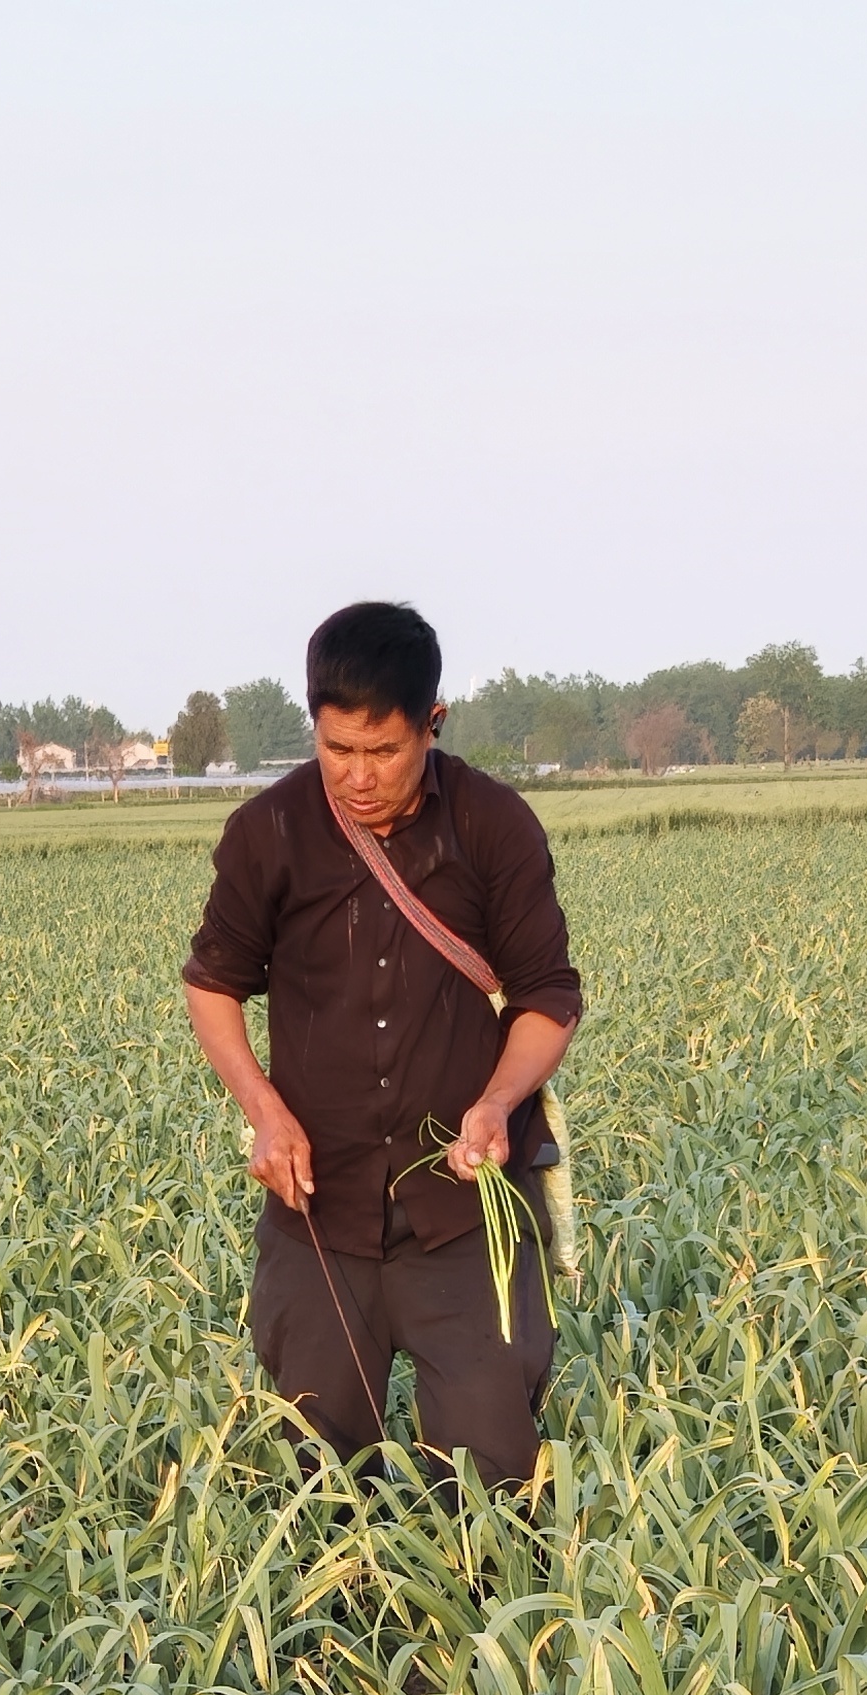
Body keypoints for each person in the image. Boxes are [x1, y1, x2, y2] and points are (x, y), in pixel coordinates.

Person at [183, 601, 581, 1492]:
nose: (358, 778)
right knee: (316, 1479)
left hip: (463, 1206)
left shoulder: (492, 826)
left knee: (492, 1479)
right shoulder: (270, 832)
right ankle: (335, 1627)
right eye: (337, 750)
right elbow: (212, 983)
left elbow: (548, 993)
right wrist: (265, 1112)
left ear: (432, 723)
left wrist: (496, 1102)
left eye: (385, 751)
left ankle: (481, 1624)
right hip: (319, 1208)